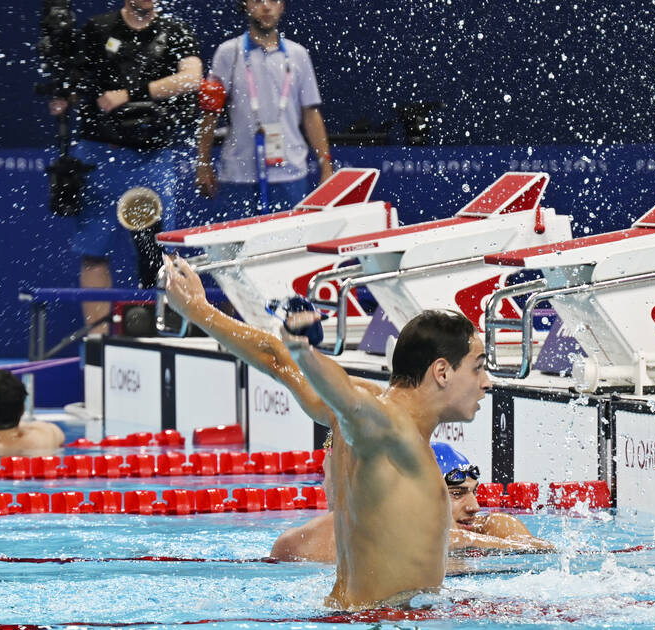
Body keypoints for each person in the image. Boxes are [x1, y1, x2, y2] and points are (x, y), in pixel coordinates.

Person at [163, 254, 490, 610]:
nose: (486, 383)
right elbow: (350, 403)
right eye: (477, 368)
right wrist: (306, 354)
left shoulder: (371, 407)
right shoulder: (390, 430)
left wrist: (198, 310)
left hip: (345, 615)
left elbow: (275, 358)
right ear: (442, 372)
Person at [50, 0, 201, 333]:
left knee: (162, 254)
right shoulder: (97, 30)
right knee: (93, 251)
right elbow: (77, 81)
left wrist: (129, 93)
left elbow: (192, 79)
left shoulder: (175, 32)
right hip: (100, 156)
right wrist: (64, 96)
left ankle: (167, 334)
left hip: (152, 159)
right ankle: (98, 342)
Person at [270, 441, 554, 563]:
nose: (474, 506)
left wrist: (471, 542)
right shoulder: (388, 537)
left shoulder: (492, 526)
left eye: (473, 491)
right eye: (456, 494)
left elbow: (546, 552)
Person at [196, 0, 334, 220]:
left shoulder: (298, 55)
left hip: (290, 172)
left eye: (273, 1)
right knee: (237, 252)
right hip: (238, 174)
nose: (266, 7)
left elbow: (311, 113)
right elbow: (210, 114)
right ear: (246, 5)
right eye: (258, 1)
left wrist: (326, 167)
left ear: (282, 6)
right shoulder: (227, 53)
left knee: (288, 249)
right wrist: (203, 164)